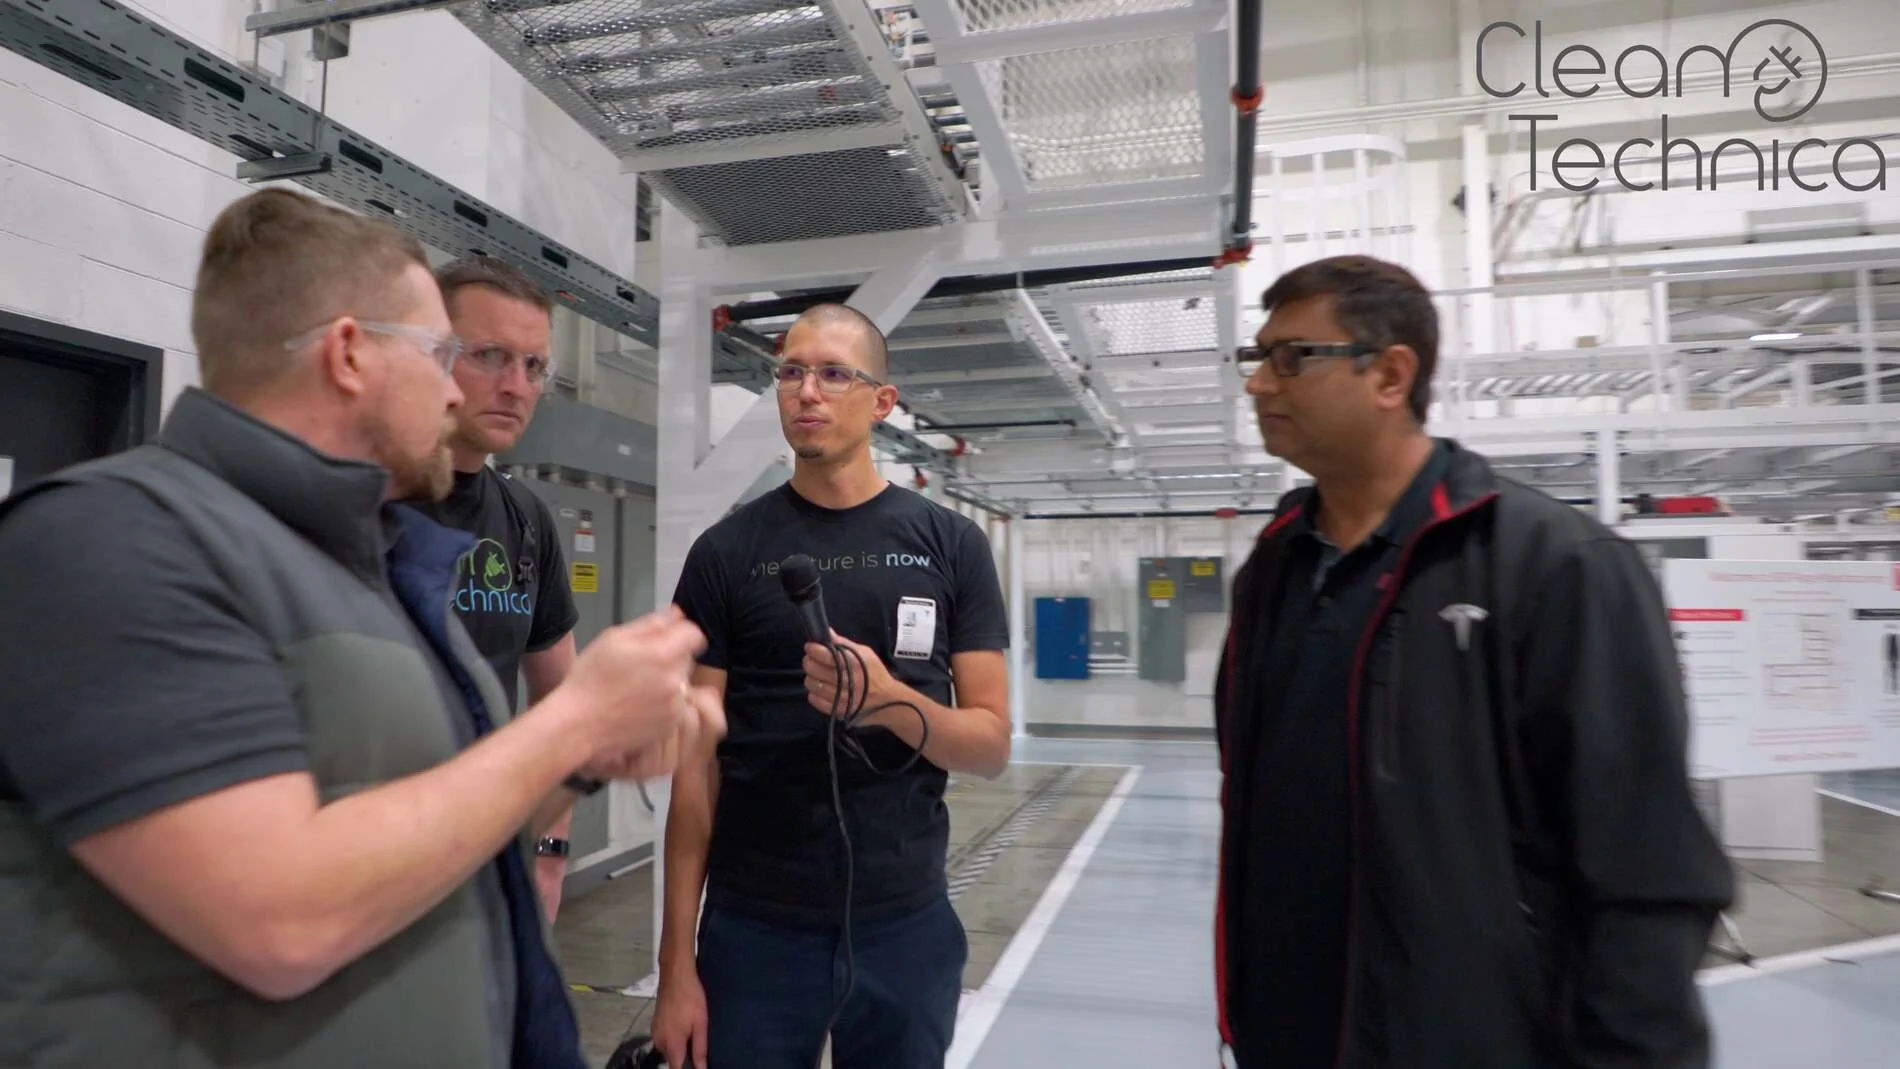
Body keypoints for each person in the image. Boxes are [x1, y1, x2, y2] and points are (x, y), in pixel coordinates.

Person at [0, 187, 723, 1069]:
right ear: (348, 354)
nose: (456, 390)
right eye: (443, 353)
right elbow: (278, 918)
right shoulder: (112, 540)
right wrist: (571, 724)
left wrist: (587, 753)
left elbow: (445, 819)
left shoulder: (380, 563)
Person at [1213, 255, 1736, 1069]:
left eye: (1292, 357)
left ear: (1391, 375)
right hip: (1290, 1032)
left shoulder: (1557, 565)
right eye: (1258, 357)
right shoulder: (1276, 569)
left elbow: (1644, 867)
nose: (1259, 383)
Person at [652, 303, 1012, 1069]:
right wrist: (675, 964)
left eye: (833, 373)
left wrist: (890, 701)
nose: (806, 391)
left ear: (882, 401)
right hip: (754, 930)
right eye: (791, 371)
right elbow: (695, 770)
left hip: (903, 923)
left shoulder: (951, 546)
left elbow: (990, 745)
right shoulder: (726, 553)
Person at [405, 253, 583, 919]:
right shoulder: (362, 500)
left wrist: (550, 848)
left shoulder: (526, 519)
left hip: (489, 864)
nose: (516, 386)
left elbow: (559, 701)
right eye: (490, 356)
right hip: (370, 856)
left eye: (534, 366)